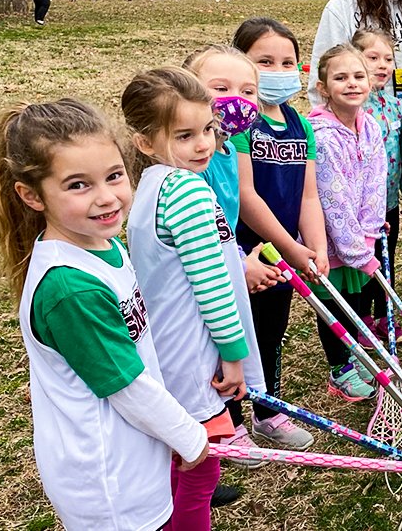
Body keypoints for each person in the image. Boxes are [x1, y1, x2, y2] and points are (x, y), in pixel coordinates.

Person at [0, 100, 208, 530]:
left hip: (134, 448)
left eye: (113, 176)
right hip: (109, 480)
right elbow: (127, 388)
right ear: (31, 195)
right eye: (78, 185)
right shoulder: (71, 289)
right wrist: (188, 437)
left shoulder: (104, 245)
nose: (106, 197)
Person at [122, 67, 265, 530]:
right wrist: (234, 355)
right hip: (191, 357)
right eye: (184, 136)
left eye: (207, 129)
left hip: (165, 351)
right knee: (201, 470)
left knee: (179, 460)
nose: (203, 145)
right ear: (145, 142)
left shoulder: (154, 185)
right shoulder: (185, 190)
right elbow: (212, 288)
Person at [182, 46, 296, 474]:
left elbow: (233, 211)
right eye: (221, 89)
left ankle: (229, 426)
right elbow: (198, 231)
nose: (238, 100)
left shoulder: (229, 149)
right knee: (205, 355)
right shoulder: (193, 161)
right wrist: (235, 262)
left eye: (248, 91)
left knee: (234, 347)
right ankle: (217, 432)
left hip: (225, 260)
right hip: (196, 275)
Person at [230, 19, 345, 406]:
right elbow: (246, 196)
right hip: (246, 253)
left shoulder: (301, 126)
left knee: (271, 332)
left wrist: (315, 245)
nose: (278, 72)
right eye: (265, 62)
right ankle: (229, 418)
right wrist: (289, 248)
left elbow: (308, 197)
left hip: (284, 257)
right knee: (233, 337)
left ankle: (268, 409)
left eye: (286, 62)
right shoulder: (241, 126)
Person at [307, 43, 387, 389]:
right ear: (324, 88)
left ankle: (353, 352)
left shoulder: (370, 126)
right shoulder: (322, 137)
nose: (352, 83)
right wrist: (356, 250)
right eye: (340, 78)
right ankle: (339, 368)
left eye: (358, 76)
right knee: (334, 306)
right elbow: (332, 200)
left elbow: (376, 181)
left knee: (355, 299)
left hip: (359, 240)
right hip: (328, 242)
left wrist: (368, 235)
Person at [352, 28, 402, 344]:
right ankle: (362, 320)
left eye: (388, 58)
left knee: (387, 257)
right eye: (373, 57)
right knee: (365, 261)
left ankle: (384, 316)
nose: (382, 65)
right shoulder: (353, 107)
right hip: (361, 207)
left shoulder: (393, 105)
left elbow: (400, 149)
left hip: (388, 202)